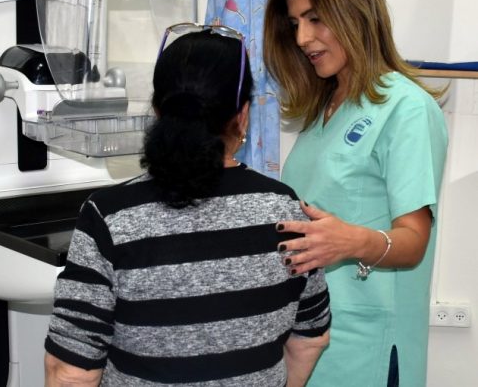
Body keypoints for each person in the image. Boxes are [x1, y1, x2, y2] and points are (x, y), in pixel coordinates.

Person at [43, 23, 331, 386]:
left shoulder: (109, 218)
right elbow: (310, 338)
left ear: (157, 111)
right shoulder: (287, 212)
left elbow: (70, 371)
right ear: (242, 116)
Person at [263, 0, 449, 386]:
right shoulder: (323, 111)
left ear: (356, 13)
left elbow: (414, 241)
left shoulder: (406, 108)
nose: (302, 38)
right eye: (295, 24)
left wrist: (349, 242)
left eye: (315, 19)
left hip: (367, 348)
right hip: (308, 342)